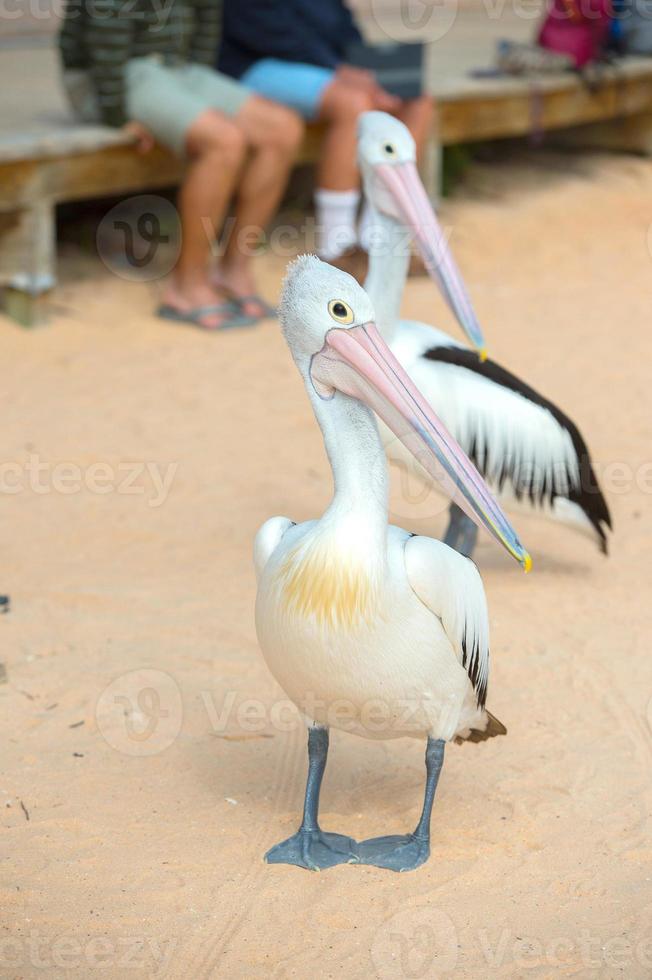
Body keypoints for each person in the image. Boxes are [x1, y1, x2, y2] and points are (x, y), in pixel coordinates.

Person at [59, 0, 303, 330]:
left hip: (177, 69)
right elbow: (104, 40)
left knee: (283, 129)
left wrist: (193, 93)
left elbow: (206, 20)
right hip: (113, 73)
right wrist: (116, 115)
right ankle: (186, 286)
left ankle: (232, 269)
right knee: (224, 141)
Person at [218, 0, 433, 278]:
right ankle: (336, 248)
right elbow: (262, 30)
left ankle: (378, 244)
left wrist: (366, 67)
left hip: (325, 65)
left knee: (417, 100)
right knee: (353, 103)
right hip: (255, 62)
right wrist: (339, 70)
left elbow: (342, 24)